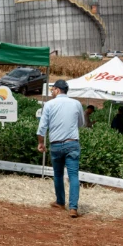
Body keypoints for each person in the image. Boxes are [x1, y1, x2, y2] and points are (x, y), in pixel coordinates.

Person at [37, 79, 86, 218]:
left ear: (57, 90)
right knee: (73, 175)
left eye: (52, 89)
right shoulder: (76, 103)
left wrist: (41, 142)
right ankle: (73, 208)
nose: (52, 92)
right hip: (72, 143)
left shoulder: (49, 104)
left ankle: (60, 202)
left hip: (56, 144)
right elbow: (81, 123)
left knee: (58, 174)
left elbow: (42, 128)